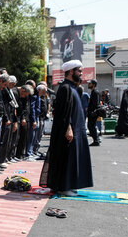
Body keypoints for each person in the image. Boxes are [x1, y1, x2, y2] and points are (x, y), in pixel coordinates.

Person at [40, 60, 93, 196]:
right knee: (66, 158)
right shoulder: (65, 88)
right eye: (79, 71)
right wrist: (68, 127)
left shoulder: (73, 87)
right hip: (68, 131)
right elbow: (62, 112)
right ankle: (64, 187)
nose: (81, 73)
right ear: (71, 72)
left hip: (76, 129)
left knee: (73, 157)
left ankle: (68, 185)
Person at [87, 79, 101, 146]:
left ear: (93, 85)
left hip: (93, 112)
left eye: (90, 83)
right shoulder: (93, 92)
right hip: (92, 112)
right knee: (92, 126)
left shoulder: (95, 92)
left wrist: (92, 111)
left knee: (91, 126)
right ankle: (97, 139)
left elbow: (95, 104)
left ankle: (96, 141)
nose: (88, 84)